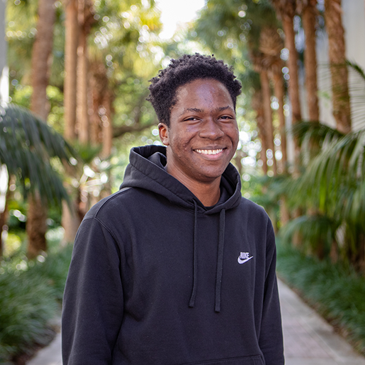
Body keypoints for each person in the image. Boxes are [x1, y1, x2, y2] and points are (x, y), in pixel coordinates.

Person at [62, 53, 284, 365]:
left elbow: (269, 340)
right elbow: (86, 351)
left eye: (224, 117)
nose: (212, 132)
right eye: (193, 118)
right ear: (164, 132)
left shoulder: (255, 222)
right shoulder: (111, 222)